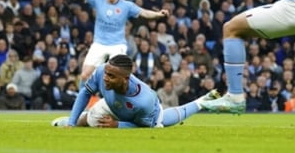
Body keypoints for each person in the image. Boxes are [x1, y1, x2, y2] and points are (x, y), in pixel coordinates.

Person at [48, 0, 170, 83]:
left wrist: (158, 14)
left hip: (117, 45)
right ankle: (86, 103)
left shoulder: (126, 5)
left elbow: (144, 12)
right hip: (99, 44)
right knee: (84, 76)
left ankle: (118, 101)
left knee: (116, 74)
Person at [51, 55, 220, 128]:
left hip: (146, 115)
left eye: (111, 76)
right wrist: (72, 123)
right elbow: (84, 93)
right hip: (112, 105)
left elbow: (141, 127)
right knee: (88, 120)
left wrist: (118, 125)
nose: (105, 78)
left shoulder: (143, 100)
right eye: (106, 73)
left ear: (125, 79)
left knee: (160, 122)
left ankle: (201, 102)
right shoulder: (102, 70)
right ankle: (71, 121)